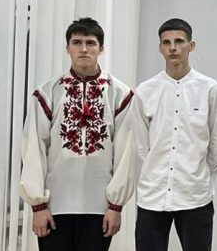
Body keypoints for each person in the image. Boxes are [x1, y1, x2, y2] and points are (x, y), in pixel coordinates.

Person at [20, 17, 139, 251]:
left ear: (101, 48)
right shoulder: (47, 92)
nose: (84, 49)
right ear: (67, 48)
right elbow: (34, 148)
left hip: (99, 207)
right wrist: (38, 205)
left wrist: (116, 206)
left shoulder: (120, 94)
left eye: (90, 43)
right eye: (77, 43)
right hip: (55, 206)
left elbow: (126, 152)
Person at [134, 18, 217, 250]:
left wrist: (200, 178)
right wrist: (156, 170)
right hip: (153, 195)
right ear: (160, 48)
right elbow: (142, 146)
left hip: (195, 195)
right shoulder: (145, 91)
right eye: (166, 43)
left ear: (191, 45)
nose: (173, 48)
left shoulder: (211, 90)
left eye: (179, 41)